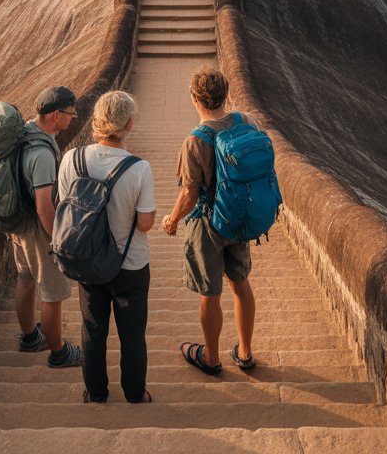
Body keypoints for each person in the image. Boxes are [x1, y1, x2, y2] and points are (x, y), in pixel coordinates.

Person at [58, 91, 156, 403]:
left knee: (93, 331)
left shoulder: (71, 160)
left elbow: (64, 208)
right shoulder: (139, 169)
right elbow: (145, 224)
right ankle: (134, 393)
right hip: (130, 265)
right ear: (128, 124)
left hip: (87, 261)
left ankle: (96, 392)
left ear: (97, 123)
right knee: (132, 335)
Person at [162, 67, 257, 375]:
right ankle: (244, 352)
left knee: (210, 291)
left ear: (194, 99)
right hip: (240, 217)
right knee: (240, 284)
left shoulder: (195, 142)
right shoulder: (246, 122)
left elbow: (190, 194)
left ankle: (212, 358)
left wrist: (172, 220)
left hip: (209, 224)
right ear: (225, 94)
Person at [14, 85, 82, 368]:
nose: (73, 118)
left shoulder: (25, 132)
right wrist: (58, 241)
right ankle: (59, 352)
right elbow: (44, 206)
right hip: (36, 228)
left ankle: (30, 337)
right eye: (69, 114)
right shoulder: (42, 154)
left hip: (18, 224)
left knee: (26, 279)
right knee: (52, 293)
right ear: (55, 116)